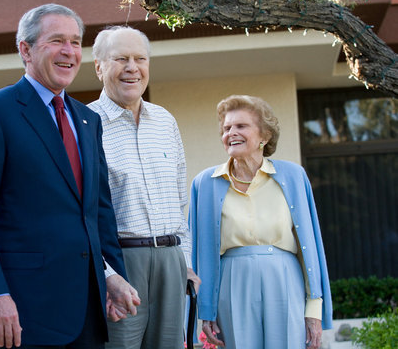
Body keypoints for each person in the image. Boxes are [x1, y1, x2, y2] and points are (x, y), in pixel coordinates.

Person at [0, 4, 140, 349]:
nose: (69, 51)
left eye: (75, 42)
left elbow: (98, 212)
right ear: (25, 49)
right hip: (20, 315)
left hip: (86, 311)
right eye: (56, 41)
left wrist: (112, 277)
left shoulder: (87, 120)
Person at [189, 95, 333, 349]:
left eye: (241, 126)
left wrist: (314, 308)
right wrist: (206, 312)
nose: (231, 132)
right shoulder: (205, 183)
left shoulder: (293, 176)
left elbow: (310, 246)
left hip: (285, 278)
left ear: (264, 136)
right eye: (226, 128)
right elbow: (197, 252)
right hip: (232, 281)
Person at [87, 26, 201, 349]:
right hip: (121, 262)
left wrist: (186, 263)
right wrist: (108, 274)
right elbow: (84, 215)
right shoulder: (85, 123)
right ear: (99, 66)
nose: (132, 68)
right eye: (120, 59)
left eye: (140, 59)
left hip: (170, 262)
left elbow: (180, 203)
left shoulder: (165, 121)